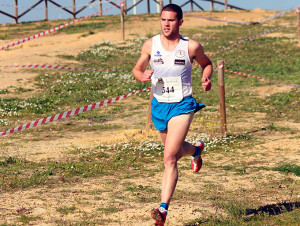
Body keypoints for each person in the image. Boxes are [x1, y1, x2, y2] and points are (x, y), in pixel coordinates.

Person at [132, 4, 213, 225]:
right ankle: (196, 150)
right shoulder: (151, 44)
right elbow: (137, 68)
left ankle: (163, 210)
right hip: (159, 105)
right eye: (163, 20)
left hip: (182, 105)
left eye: (171, 20)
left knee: (169, 157)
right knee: (175, 153)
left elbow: (207, 64)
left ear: (180, 22)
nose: (166, 24)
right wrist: (141, 76)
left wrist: (206, 78)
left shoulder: (191, 46)